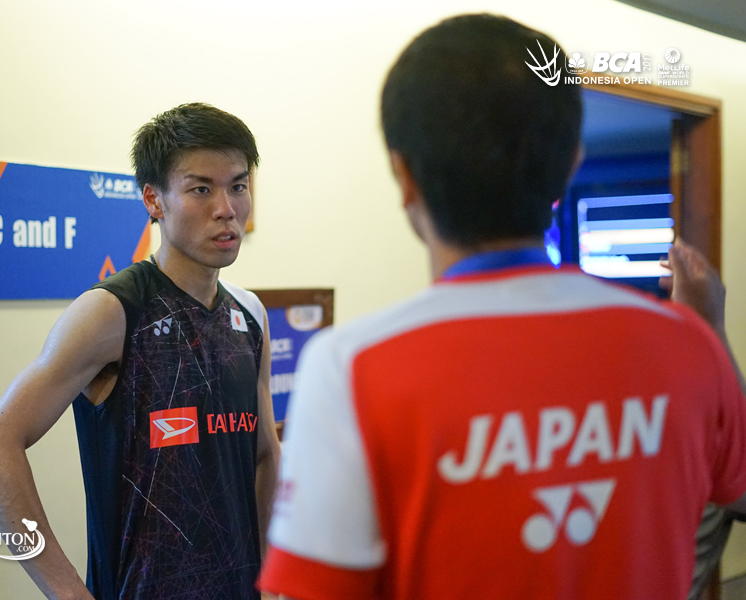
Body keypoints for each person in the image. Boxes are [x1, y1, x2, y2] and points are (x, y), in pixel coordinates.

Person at [257, 15, 746, 600]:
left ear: (403, 176)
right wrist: (708, 330)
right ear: (570, 163)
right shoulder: (689, 345)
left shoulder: (351, 368)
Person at [0, 103, 280, 600]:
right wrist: (68, 592)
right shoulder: (111, 312)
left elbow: (265, 456)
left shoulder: (250, 314)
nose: (226, 208)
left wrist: (272, 582)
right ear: (154, 200)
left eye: (238, 186)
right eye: (201, 189)